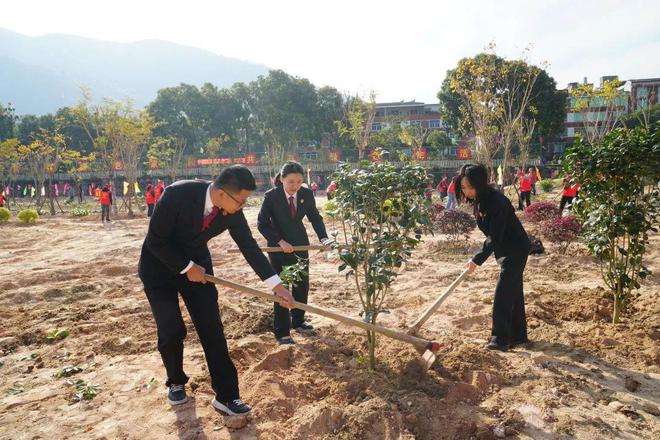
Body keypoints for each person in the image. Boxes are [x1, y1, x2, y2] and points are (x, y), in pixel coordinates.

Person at [138, 165, 294, 415]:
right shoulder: (176, 195)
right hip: (158, 268)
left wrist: (277, 286)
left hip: (199, 269)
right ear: (222, 193)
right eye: (241, 201)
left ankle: (227, 395)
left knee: (212, 328)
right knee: (171, 329)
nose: (242, 206)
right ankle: (176, 380)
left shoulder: (231, 209)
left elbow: (249, 247)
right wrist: (185, 266)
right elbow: (156, 240)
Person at [456, 164, 531, 352]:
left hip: (515, 249)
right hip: (506, 249)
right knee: (513, 291)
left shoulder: (497, 202)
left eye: (470, 187)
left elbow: (494, 237)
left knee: (503, 294)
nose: (467, 191)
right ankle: (519, 336)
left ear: (480, 184)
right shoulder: (481, 200)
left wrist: (476, 259)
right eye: (464, 188)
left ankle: (500, 340)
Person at [257, 161, 332, 345]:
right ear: (282, 179)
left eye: (299, 181)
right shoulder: (271, 197)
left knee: (301, 283)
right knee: (282, 287)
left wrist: (324, 238)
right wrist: (279, 241)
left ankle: (298, 320)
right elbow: (262, 223)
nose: (295, 186)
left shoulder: (306, 194)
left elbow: (315, 217)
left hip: (300, 245)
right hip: (278, 248)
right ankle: (282, 332)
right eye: (291, 182)